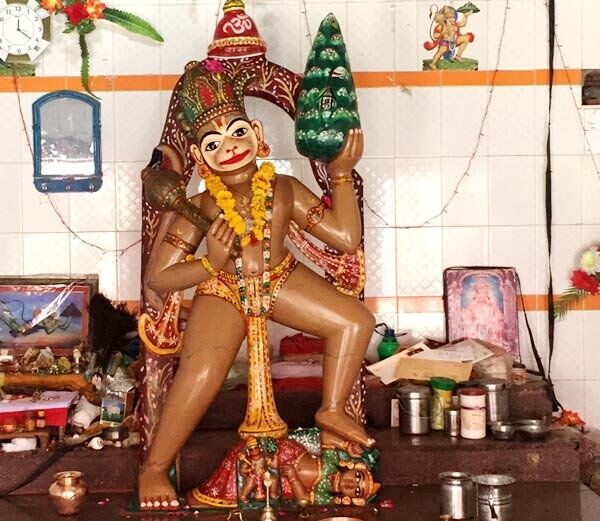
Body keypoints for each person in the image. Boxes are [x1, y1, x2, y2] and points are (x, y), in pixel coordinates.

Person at [137, 61, 375, 510]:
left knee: (355, 321)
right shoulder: (201, 205)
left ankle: (331, 408)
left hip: (280, 277)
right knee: (202, 374)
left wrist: (341, 173)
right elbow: (159, 278)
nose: (228, 147)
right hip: (224, 288)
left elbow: (345, 237)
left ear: (258, 133)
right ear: (199, 155)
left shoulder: (283, 188)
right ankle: (155, 465)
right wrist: (209, 263)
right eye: (213, 143)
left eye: (237, 132)